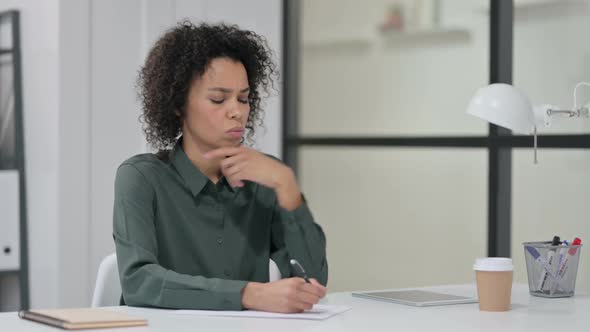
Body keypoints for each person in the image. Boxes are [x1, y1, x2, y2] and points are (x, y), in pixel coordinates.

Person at [112, 21, 328, 313]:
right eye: (218, 99)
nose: (236, 112)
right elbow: (139, 282)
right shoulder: (141, 178)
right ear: (178, 104)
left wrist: (287, 186)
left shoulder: (267, 179)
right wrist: (247, 294)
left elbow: (312, 282)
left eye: (243, 98)